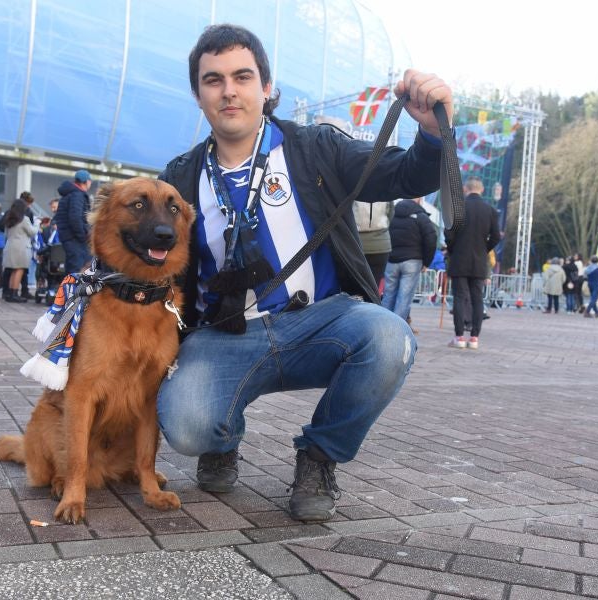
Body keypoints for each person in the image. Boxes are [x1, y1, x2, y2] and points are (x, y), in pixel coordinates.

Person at [156, 24, 452, 522]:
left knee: (388, 337)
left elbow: (406, 174)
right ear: (198, 94)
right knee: (186, 427)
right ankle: (220, 436)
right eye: (214, 80)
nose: (229, 90)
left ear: (266, 88)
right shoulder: (180, 176)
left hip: (320, 320)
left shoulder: (315, 148)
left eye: (242, 76)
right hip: (225, 334)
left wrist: (432, 132)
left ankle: (318, 457)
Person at [445, 176, 500, 349]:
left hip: (460, 259)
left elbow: (449, 234)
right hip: (479, 260)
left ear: (465, 189)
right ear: (482, 190)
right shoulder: (490, 210)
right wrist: (485, 248)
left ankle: (459, 336)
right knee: (477, 298)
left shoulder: (458, 207)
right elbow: (497, 236)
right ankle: (474, 337)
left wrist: (453, 248)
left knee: (460, 298)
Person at [382, 198, 436, 325]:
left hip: (391, 260)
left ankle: (383, 324)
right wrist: (426, 262)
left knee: (388, 295)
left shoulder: (392, 214)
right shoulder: (421, 217)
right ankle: (397, 328)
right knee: (404, 298)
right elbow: (431, 239)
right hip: (412, 261)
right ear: (418, 200)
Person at [53, 170, 93, 273]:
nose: (90, 183)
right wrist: (83, 236)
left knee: (73, 267)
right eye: (90, 180)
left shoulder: (69, 194)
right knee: (77, 269)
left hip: (69, 237)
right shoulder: (77, 195)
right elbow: (75, 218)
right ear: (85, 181)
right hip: (75, 238)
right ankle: (73, 289)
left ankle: (70, 288)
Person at [354, 200, 393, 292]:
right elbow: (390, 213)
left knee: (355, 287)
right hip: (381, 244)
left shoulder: (353, 187)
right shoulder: (386, 188)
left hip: (357, 243)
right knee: (374, 287)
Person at [2, 199, 37, 303]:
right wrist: (37, 224)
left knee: (13, 270)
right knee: (19, 270)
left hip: (10, 246)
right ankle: (14, 293)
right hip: (21, 248)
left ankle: (10, 293)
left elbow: (5, 234)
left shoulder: (9, 219)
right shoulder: (24, 219)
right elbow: (32, 232)